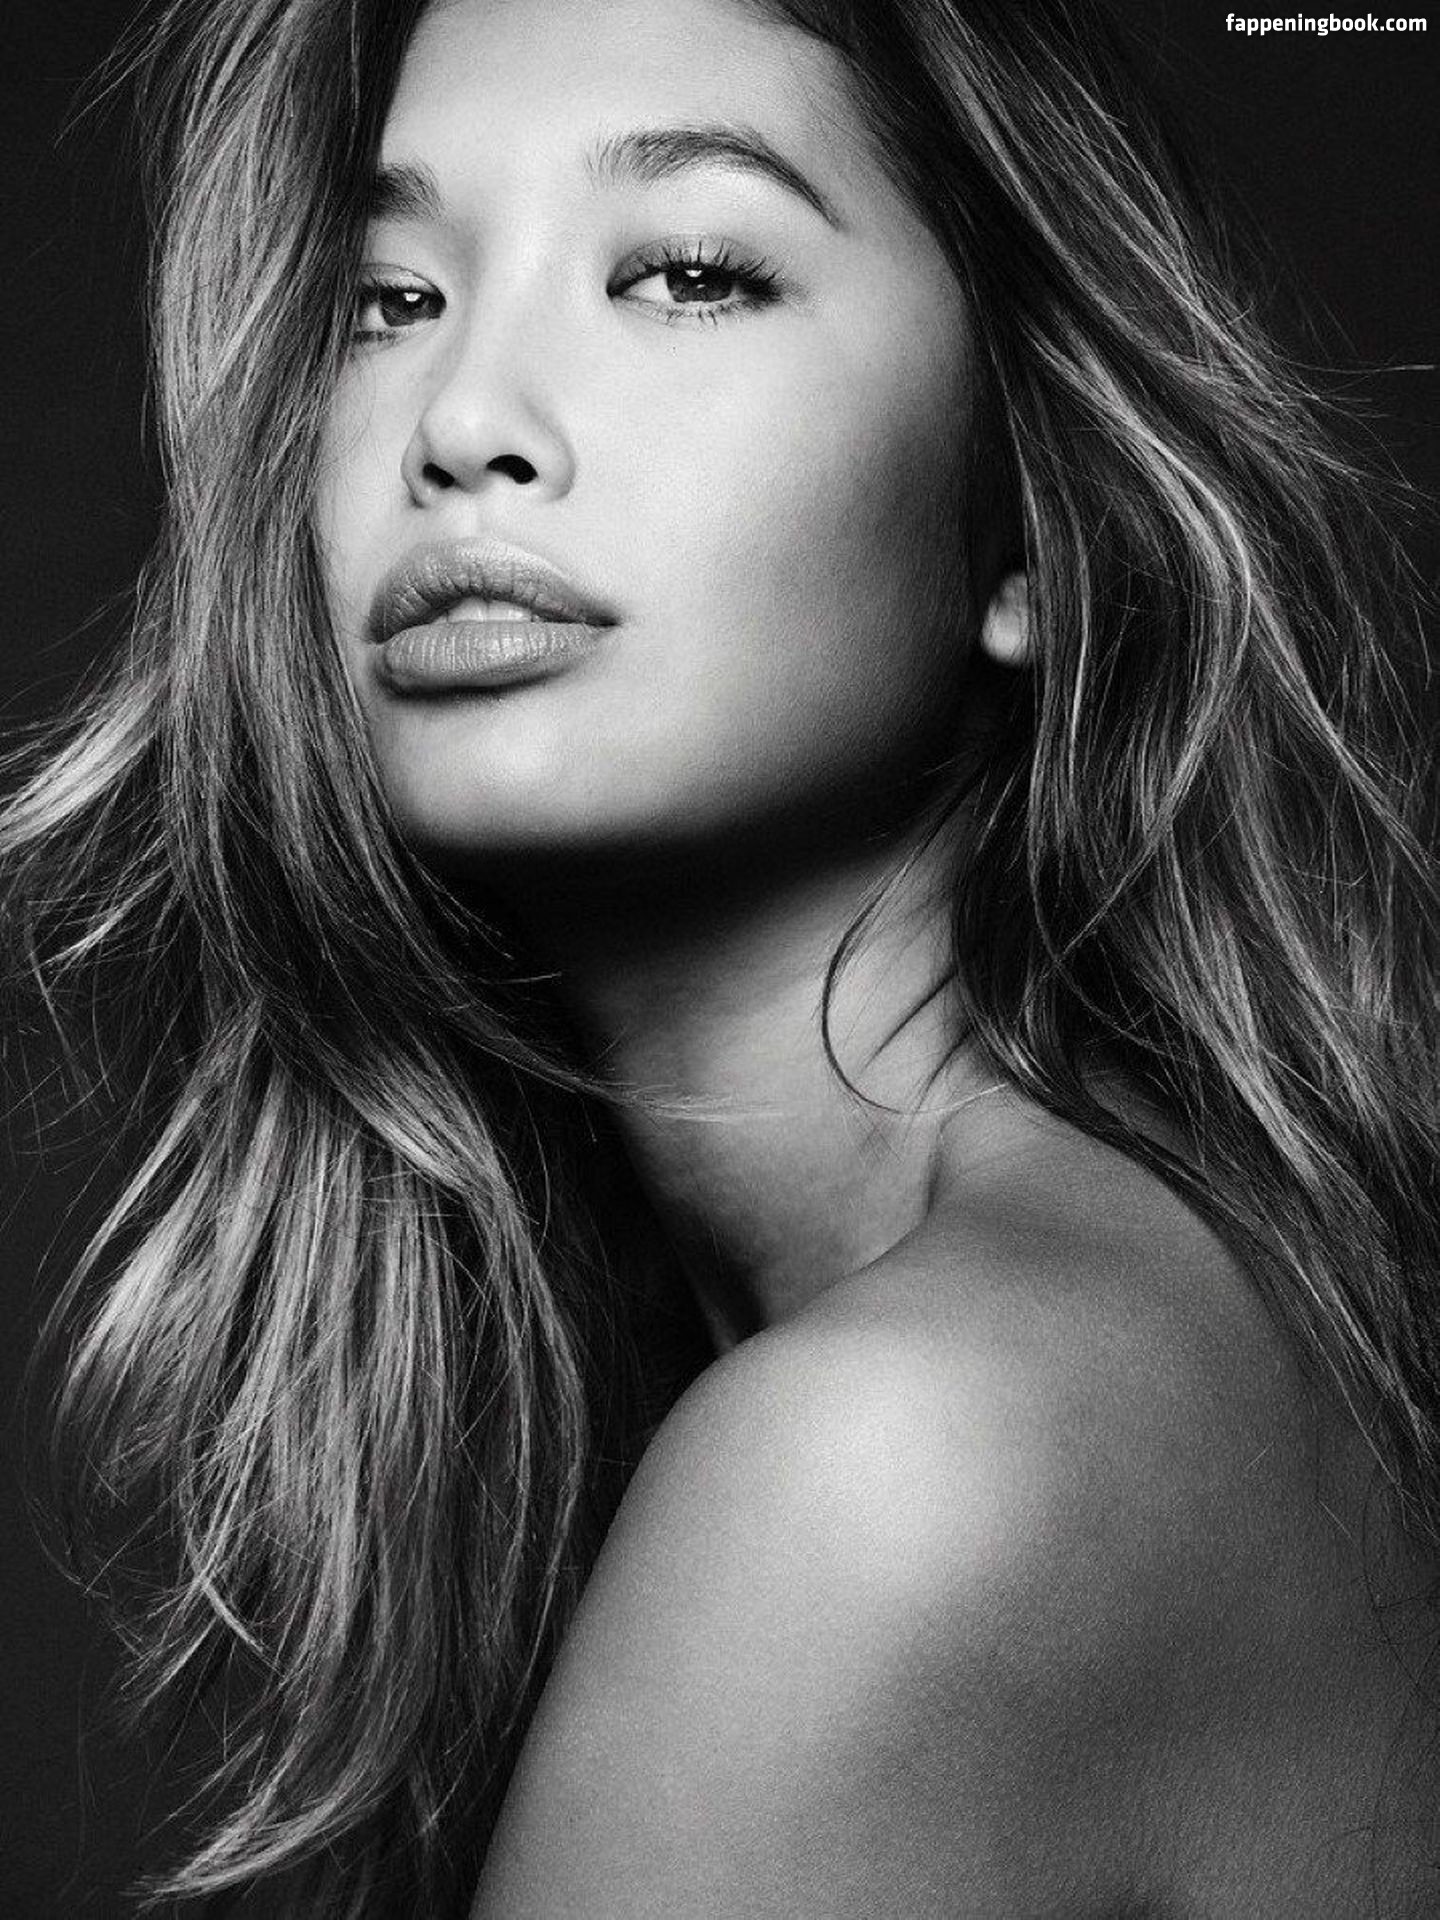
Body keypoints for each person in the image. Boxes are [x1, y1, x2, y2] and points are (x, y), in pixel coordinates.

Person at [3, 0, 1438, 1912]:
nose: (466, 423)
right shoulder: (1130, 1302)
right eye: (389, 300)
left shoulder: (911, 1453)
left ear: (1027, 517)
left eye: (687, 274)